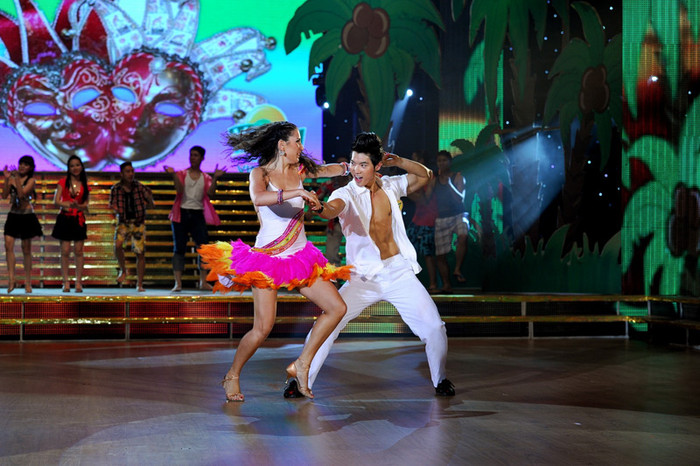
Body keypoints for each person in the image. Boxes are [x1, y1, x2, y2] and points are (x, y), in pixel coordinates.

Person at [292, 132, 455, 398]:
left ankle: (441, 380)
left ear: (377, 165)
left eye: (363, 164)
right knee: (327, 326)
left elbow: (426, 175)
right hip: (363, 279)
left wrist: (399, 161)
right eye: (353, 163)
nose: (355, 170)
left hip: (398, 273)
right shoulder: (345, 193)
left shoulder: (391, 186)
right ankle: (302, 379)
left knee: (435, 328)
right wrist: (319, 208)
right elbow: (332, 209)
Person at [198, 121, 352, 402]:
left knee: (337, 308)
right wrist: (297, 193)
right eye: (297, 141)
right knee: (262, 328)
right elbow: (260, 197)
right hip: (267, 261)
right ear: (282, 145)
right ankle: (232, 374)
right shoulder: (260, 173)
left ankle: (302, 364)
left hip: (300, 258)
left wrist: (352, 167)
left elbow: (327, 169)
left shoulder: (300, 170)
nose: (301, 146)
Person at [164, 145, 225, 292]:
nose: (192, 158)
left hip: (198, 214)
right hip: (182, 214)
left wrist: (216, 178)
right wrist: (173, 175)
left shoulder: (206, 177)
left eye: (196, 155)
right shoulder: (181, 174)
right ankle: (178, 283)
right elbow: (179, 190)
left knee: (203, 248)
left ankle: (203, 282)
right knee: (179, 248)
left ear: (202, 158)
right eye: (191, 155)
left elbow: (211, 194)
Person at [109, 162, 155, 292]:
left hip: (138, 223)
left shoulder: (140, 187)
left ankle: (139, 284)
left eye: (132, 171)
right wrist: (115, 208)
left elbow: (151, 205)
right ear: (122, 174)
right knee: (118, 245)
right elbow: (112, 204)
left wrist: (150, 198)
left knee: (140, 252)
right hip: (123, 222)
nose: (130, 174)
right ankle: (123, 270)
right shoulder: (116, 189)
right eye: (127, 171)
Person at [2, 156, 43, 293]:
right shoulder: (12, 178)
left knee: (26, 249)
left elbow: (21, 195)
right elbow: (4, 195)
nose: (22, 167)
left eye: (26, 164)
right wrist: (7, 179)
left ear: (30, 167)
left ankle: (28, 282)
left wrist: (16, 181)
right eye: (21, 164)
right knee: (8, 246)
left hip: (26, 216)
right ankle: (11, 279)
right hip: (13, 215)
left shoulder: (31, 181)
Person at [52, 155, 90, 293]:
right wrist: (66, 204)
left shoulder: (85, 184)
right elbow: (56, 201)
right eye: (72, 165)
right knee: (65, 251)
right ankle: (66, 282)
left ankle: (78, 282)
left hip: (78, 219)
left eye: (77, 165)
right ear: (68, 168)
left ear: (82, 167)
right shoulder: (63, 182)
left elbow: (86, 204)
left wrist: (78, 206)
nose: (75, 168)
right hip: (65, 218)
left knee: (79, 251)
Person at [434, 150, 469, 293]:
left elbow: (460, 198)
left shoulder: (458, 177)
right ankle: (446, 284)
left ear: (450, 162)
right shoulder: (434, 180)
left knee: (463, 236)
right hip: (442, 217)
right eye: (439, 161)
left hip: (458, 214)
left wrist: (449, 184)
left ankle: (457, 269)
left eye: (444, 160)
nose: (442, 163)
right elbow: (426, 197)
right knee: (440, 255)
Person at [307, 155, 351, 266]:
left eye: (345, 164)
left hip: (353, 221)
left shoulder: (356, 183)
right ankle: (335, 274)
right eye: (340, 165)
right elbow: (316, 196)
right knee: (331, 253)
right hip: (335, 222)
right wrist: (310, 210)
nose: (343, 167)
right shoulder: (329, 184)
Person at [406, 151, 439, 293]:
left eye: (416, 160)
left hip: (429, 219)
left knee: (428, 254)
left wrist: (407, 192)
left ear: (422, 160)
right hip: (417, 219)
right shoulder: (413, 177)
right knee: (406, 252)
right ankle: (408, 285)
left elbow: (423, 200)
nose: (413, 163)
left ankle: (433, 284)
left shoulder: (430, 177)